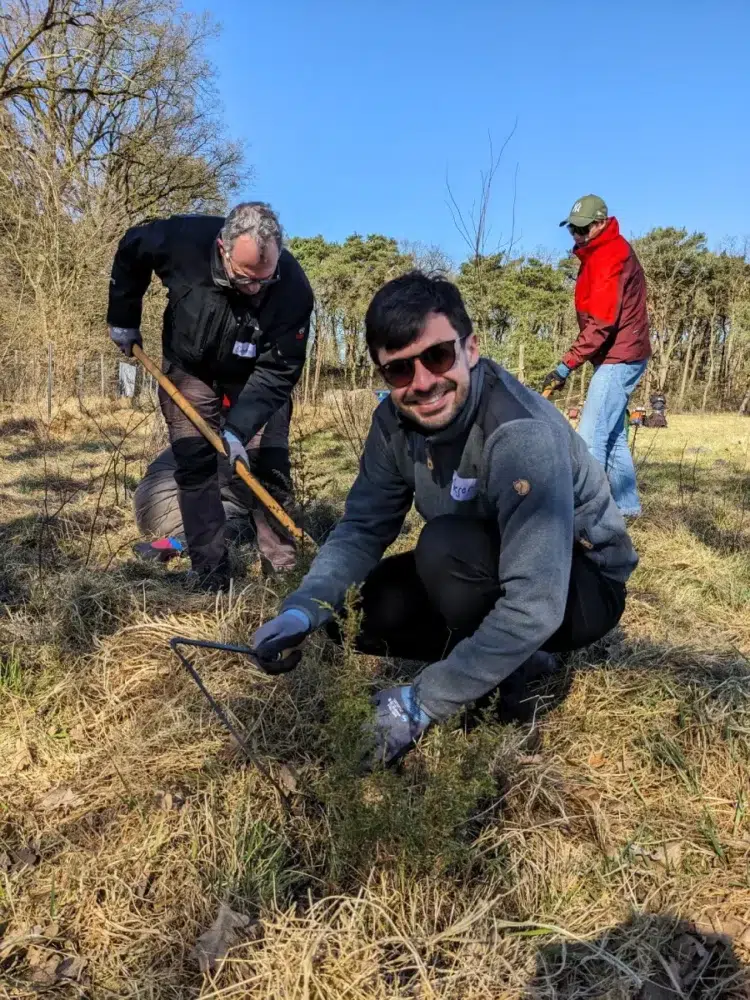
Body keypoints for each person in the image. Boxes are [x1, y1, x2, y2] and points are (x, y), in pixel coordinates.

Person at [251, 271, 638, 767]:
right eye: (398, 371)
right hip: (486, 562)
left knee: (444, 546)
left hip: (579, 585)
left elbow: (536, 603)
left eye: (437, 356)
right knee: (350, 615)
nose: (423, 383)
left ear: (470, 349)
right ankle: (503, 656)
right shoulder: (392, 423)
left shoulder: (521, 435)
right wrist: (302, 608)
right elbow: (363, 529)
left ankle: (502, 697)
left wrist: (421, 702)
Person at [107, 202, 313, 588]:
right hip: (191, 368)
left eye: (263, 281)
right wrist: (123, 318)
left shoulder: (293, 291)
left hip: (256, 377)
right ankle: (210, 571)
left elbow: (279, 371)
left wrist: (237, 430)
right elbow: (132, 247)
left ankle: (284, 569)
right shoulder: (183, 242)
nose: (254, 290)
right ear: (223, 248)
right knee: (195, 462)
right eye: (245, 278)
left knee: (266, 463)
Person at [543, 195, 651, 517]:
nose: (576, 236)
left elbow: (601, 324)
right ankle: (628, 508)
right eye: (572, 230)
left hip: (622, 355)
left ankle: (587, 514)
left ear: (600, 223)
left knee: (590, 436)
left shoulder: (609, 256)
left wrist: (565, 367)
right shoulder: (596, 255)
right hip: (616, 353)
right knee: (614, 435)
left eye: (582, 229)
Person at [133, 402, 295, 573]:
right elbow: (251, 493)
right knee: (247, 528)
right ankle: (170, 544)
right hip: (169, 500)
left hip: (147, 499)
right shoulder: (245, 435)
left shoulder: (219, 423)